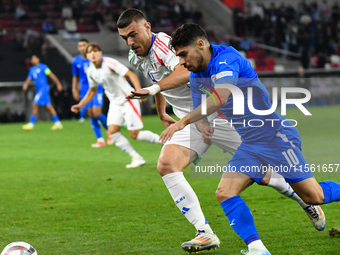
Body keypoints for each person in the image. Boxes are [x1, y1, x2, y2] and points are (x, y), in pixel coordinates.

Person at [117, 9, 325, 253]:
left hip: (222, 115)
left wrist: (153, 90)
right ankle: (204, 232)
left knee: (264, 174)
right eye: (124, 38)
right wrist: (162, 109)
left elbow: (182, 72)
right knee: (166, 165)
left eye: (133, 34)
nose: (130, 42)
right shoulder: (136, 55)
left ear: (147, 28)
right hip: (193, 119)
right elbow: (158, 80)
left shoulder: (164, 45)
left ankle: (305, 200)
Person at [71, 43, 160, 168]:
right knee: (113, 132)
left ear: (100, 53)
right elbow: (92, 91)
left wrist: (139, 91)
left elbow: (131, 74)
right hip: (115, 104)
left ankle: (164, 141)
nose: (93, 54)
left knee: (135, 134)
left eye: (95, 51)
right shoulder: (91, 71)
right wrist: (80, 105)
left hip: (129, 99)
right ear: (87, 56)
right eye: (90, 52)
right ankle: (136, 157)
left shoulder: (110, 63)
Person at [72, 38, 113, 147]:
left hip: (96, 87)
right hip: (84, 89)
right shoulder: (76, 61)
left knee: (97, 113)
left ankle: (111, 131)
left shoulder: (93, 57)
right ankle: (100, 139)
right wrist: (74, 89)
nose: (82, 48)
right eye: (80, 46)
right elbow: (75, 76)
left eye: (84, 45)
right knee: (91, 114)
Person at [22, 54, 63, 131]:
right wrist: (26, 84)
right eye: (32, 58)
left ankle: (31, 124)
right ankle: (58, 123)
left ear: (38, 59)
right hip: (39, 89)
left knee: (34, 104)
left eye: (35, 58)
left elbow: (51, 75)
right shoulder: (32, 69)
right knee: (48, 106)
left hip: (44, 89)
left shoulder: (44, 67)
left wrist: (58, 83)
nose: (33, 60)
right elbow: (29, 78)